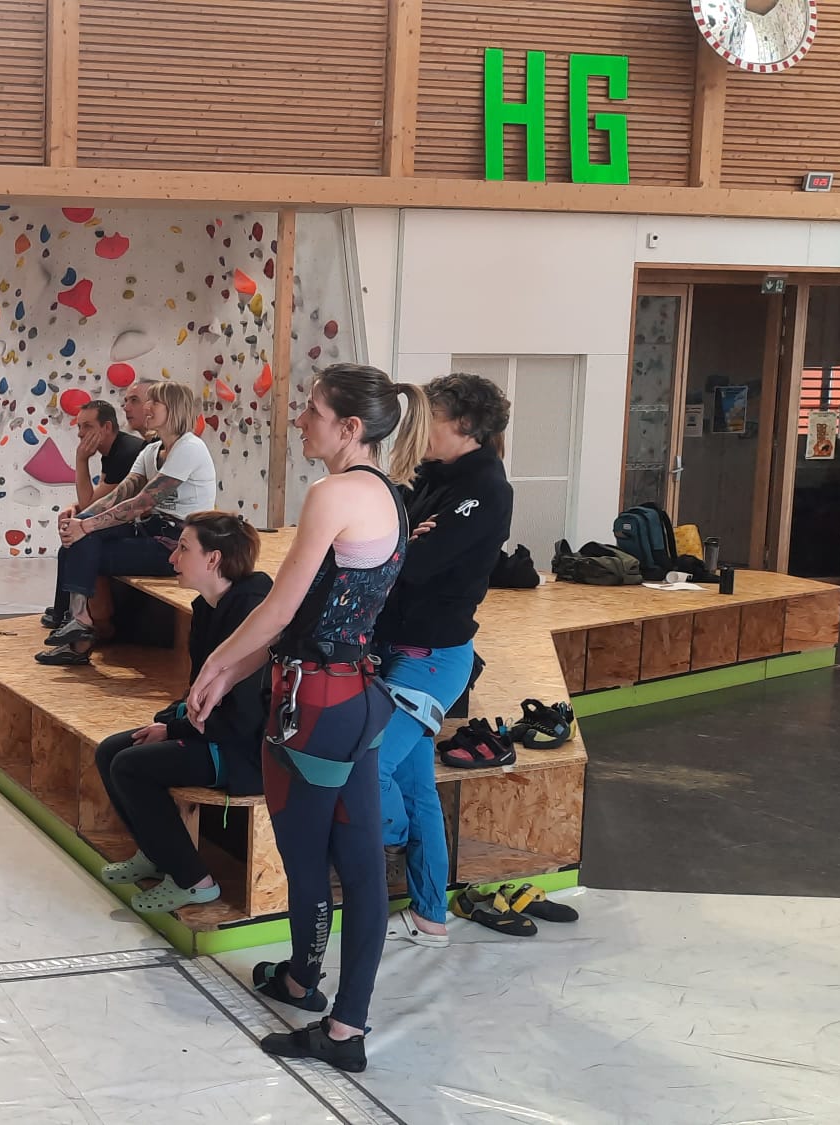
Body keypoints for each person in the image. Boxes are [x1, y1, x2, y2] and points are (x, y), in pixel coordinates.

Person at [183, 363, 428, 1074]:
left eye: (312, 411)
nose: (299, 420)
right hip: (356, 697)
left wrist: (215, 663)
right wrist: (232, 670)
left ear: (349, 427)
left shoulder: (332, 493)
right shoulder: (389, 494)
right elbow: (317, 620)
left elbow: (281, 608)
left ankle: (327, 1011)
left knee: (307, 862)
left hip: (312, 707)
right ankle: (324, 1003)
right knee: (362, 865)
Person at [373, 373, 513, 947]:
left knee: (370, 768)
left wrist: (402, 542)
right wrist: (406, 535)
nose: (415, 427)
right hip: (395, 648)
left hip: (433, 660)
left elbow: (411, 565)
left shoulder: (486, 488)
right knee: (415, 786)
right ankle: (431, 915)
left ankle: (393, 842)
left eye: (428, 416)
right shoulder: (430, 476)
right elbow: (390, 541)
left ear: (465, 425)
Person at [92, 511, 272, 914]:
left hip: (247, 751)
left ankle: (195, 882)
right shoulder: (209, 606)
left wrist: (175, 730)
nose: (172, 558)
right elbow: (197, 691)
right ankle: (157, 854)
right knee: (111, 750)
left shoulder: (251, 612)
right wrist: (168, 722)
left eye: (183, 549)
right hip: (216, 731)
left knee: (130, 766)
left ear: (214, 559)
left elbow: (239, 715)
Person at [38, 380, 217, 665]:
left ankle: (79, 637)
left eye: (154, 402)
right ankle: (78, 619)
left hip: (178, 545)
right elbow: (121, 493)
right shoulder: (151, 450)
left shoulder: (190, 447)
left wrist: (87, 526)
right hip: (150, 530)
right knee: (79, 539)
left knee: (87, 544)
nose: (147, 407)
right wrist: (81, 520)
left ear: (173, 409)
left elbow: (142, 502)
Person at [41, 397, 148, 631]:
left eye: (87, 426)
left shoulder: (126, 452)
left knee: (76, 541)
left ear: (106, 427)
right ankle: (64, 610)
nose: (80, 433)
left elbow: (90, 502)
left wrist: (81, 460)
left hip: (140, 526)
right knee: (73, 534)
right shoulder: (114, 450)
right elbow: (98, 499)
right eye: (79, 427)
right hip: (127, 520)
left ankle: (71, 614)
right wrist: (76, 508)